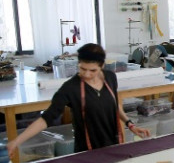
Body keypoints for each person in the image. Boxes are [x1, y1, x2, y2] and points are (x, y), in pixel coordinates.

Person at [7, 44, 150, 156]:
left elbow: (115, 104)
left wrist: (130, 125)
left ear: (102, 66)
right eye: (82, 68)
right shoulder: (70, 87)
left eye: (92, 70)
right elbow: (46, 119)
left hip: (115, 146)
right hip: (87, 152)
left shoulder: (110, 77)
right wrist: (16, 142)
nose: (87, 74)